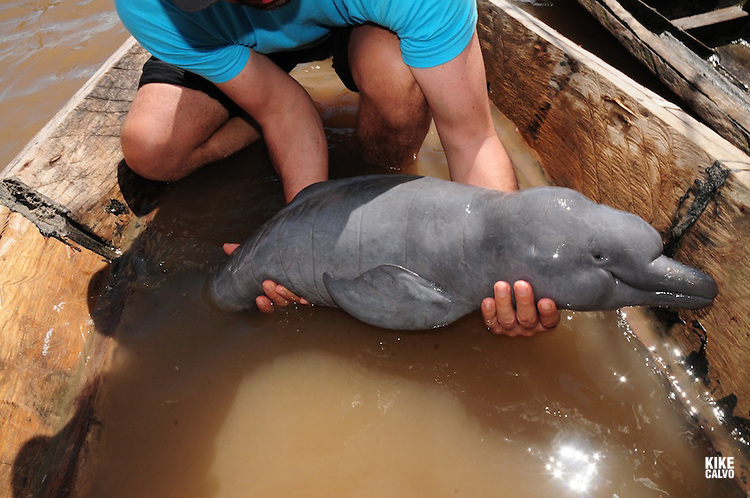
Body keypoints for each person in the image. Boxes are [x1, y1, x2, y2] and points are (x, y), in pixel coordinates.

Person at [114, 0, 560, 336]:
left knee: (395, 73)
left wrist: (511, 264)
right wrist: (302, 242)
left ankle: (388, 174)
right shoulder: (153, 5)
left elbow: (471, 137)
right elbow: (282, 110)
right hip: (238, 42)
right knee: (151, 150)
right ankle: (249, 109)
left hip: (362, 22)